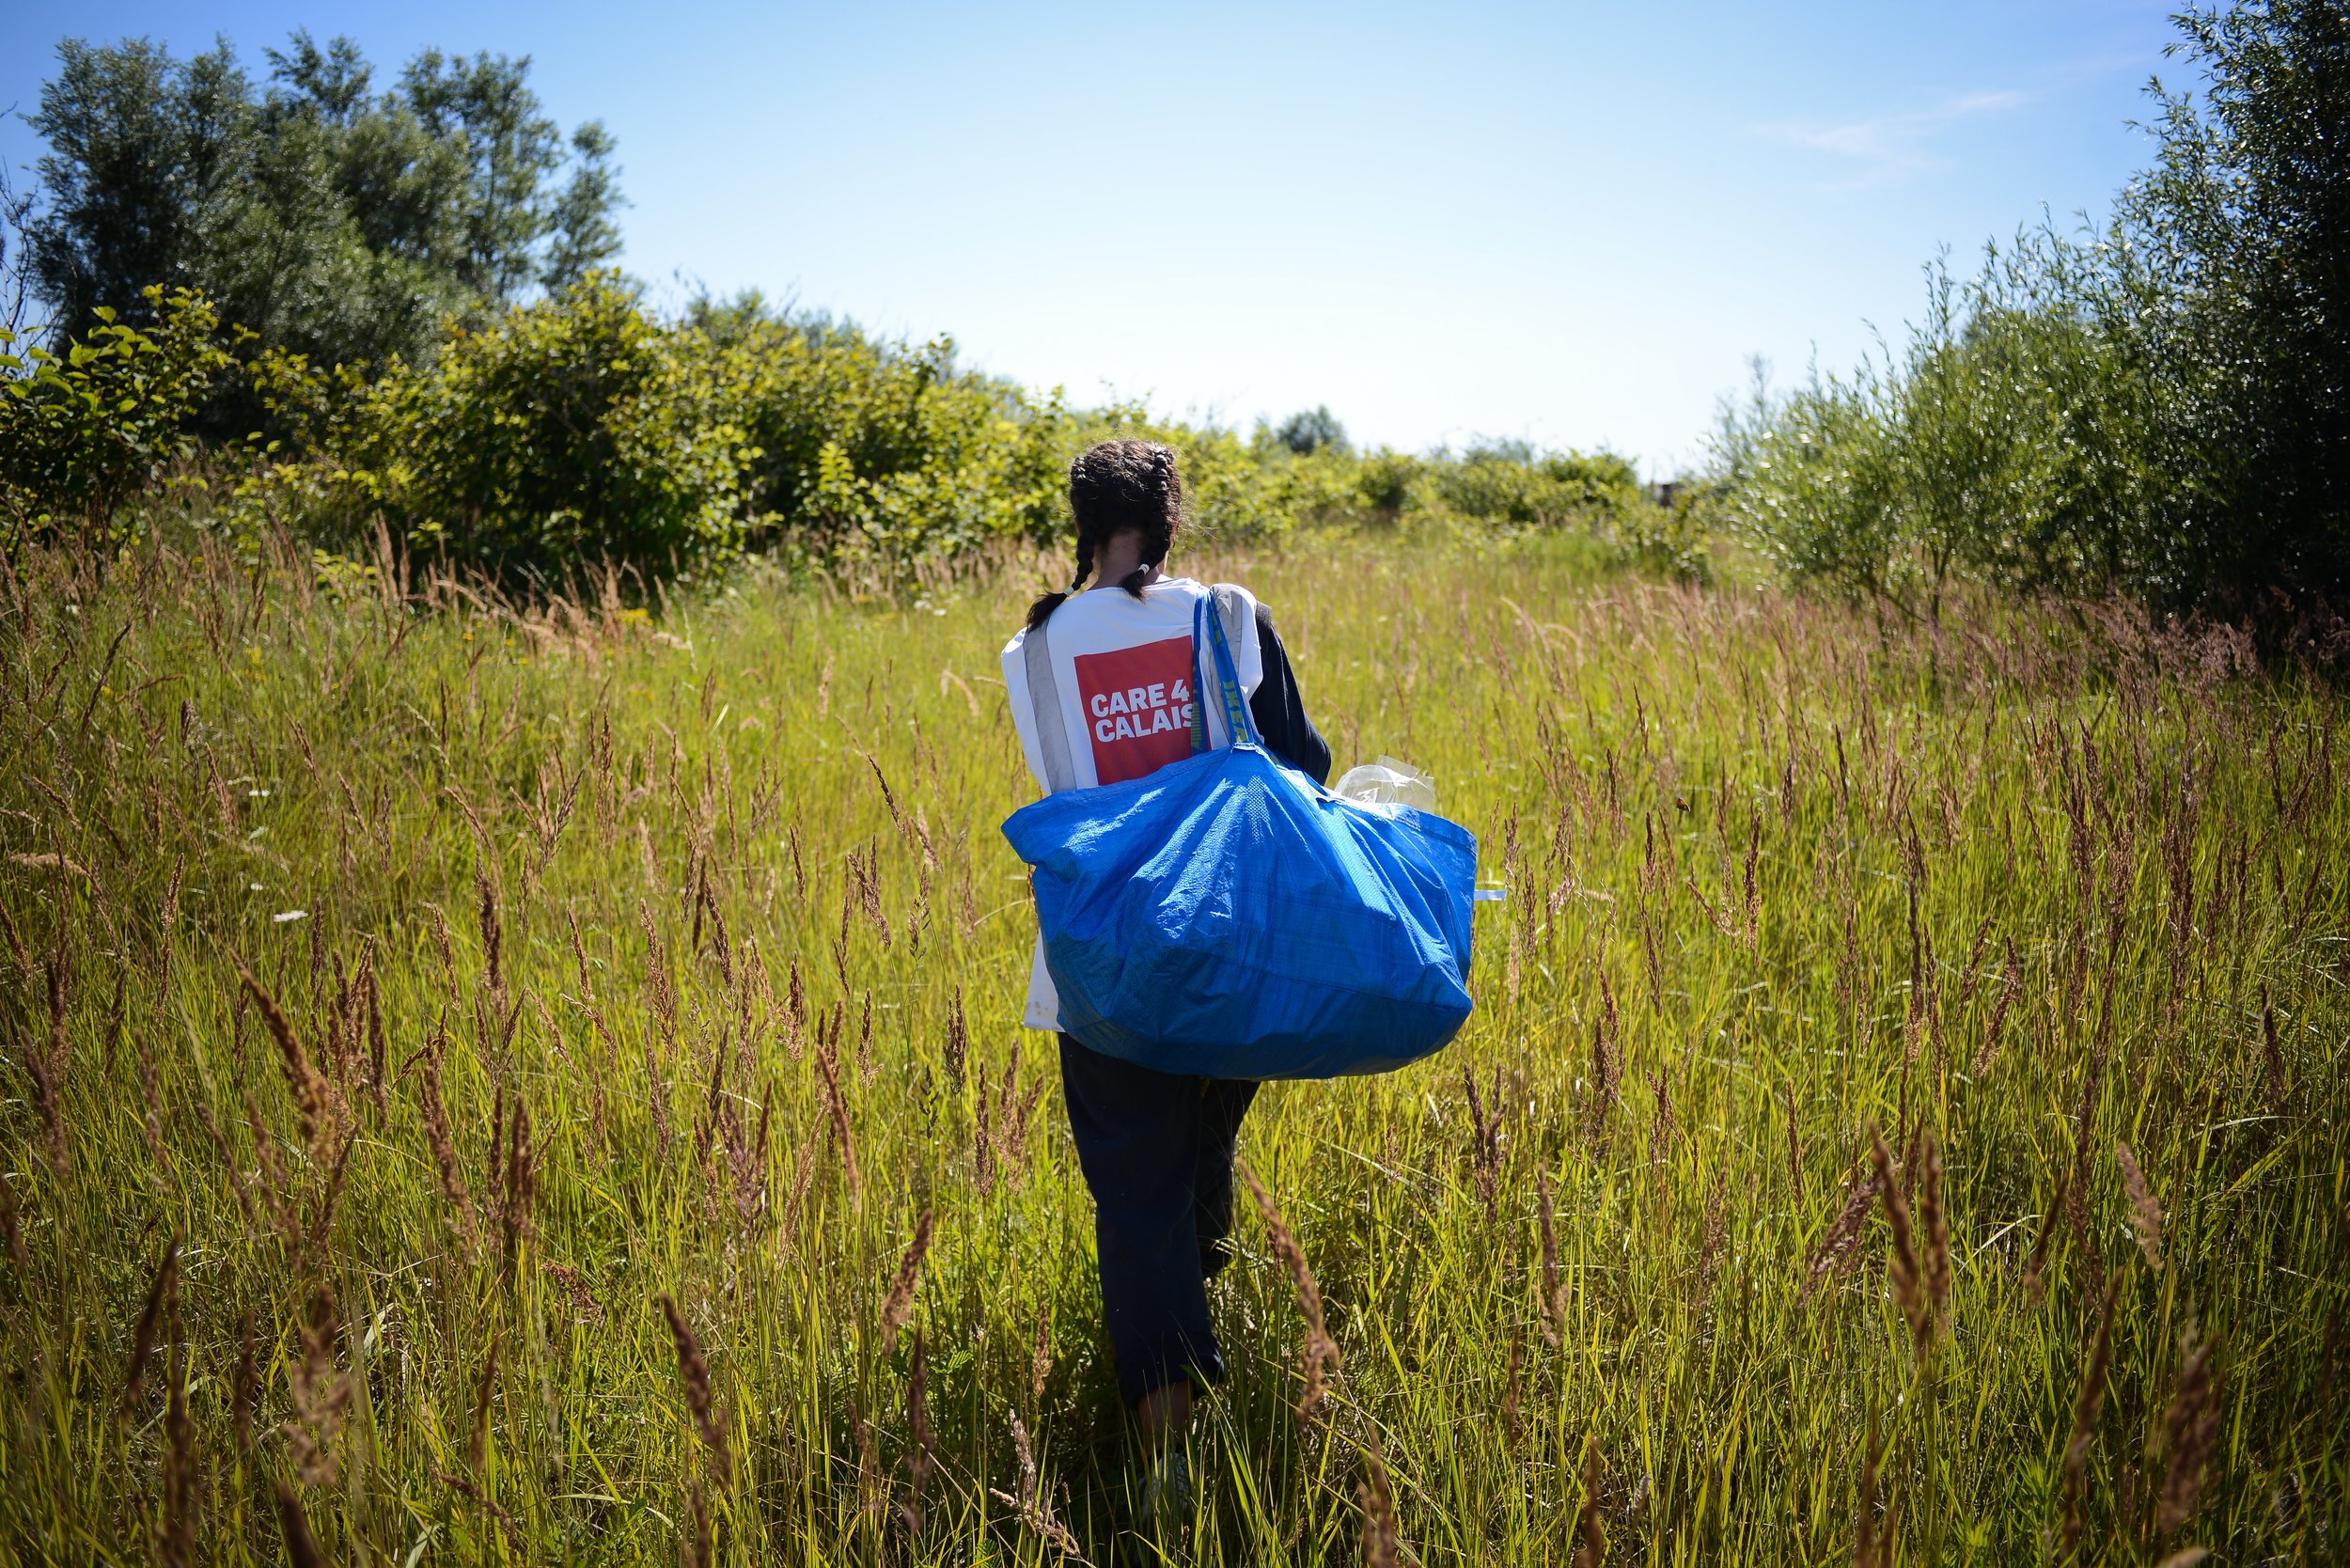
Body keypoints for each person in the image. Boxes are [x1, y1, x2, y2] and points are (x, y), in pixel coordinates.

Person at [999, 437, 1330, 1521]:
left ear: (1081, 524)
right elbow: (1304, 767)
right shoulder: (1227, 615)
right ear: (1171, 519)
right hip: (1233, 950)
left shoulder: (1031, 652)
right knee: (1200, 1153)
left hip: (1100, 963)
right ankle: (1196, 1330)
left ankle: (1166, 1455)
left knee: (1136, 1196)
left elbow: (1065, 790)